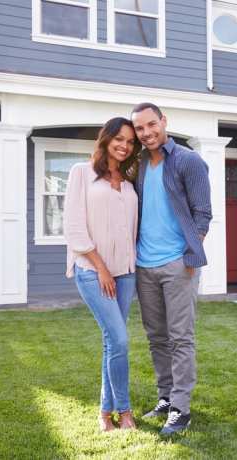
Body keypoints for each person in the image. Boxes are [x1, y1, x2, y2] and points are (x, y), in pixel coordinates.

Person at [131, 102, 212, 436]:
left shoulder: (187, 160)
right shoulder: (137, 166)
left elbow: (202, 213)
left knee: (180, 337)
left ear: (164, 121)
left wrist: (189, 255)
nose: (147, 133)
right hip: (144, 265)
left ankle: (181, 408)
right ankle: (165, 397)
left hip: (178, 264)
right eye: (140, 128)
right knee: (156, 338)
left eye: (152, 124)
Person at [63, 117, 141, 432]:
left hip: (126, 273)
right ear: (106, 139)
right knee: (119, 339)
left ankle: (104, 413)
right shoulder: (81, 173)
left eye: (130, 142)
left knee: (113, 342)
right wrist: (101, 267)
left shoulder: (129, 181)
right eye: (119, 139)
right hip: (93, 272)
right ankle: (124, 412)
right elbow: (73, 226)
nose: (124, 145)